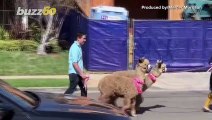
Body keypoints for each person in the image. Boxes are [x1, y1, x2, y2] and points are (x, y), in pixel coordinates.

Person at [64, 32, 89, 97]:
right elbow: (74, 63)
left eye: (85, 38)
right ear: (78, 38)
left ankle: (84, 104)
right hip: (74, 74)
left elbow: (79, 62)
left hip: (78, 73)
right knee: (71, 89)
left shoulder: (79, 47)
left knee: (84, 88)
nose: (85, 40)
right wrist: (82, 74)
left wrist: (83, 73)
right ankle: (62, 102)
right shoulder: (75, 47)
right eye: (84, 38)